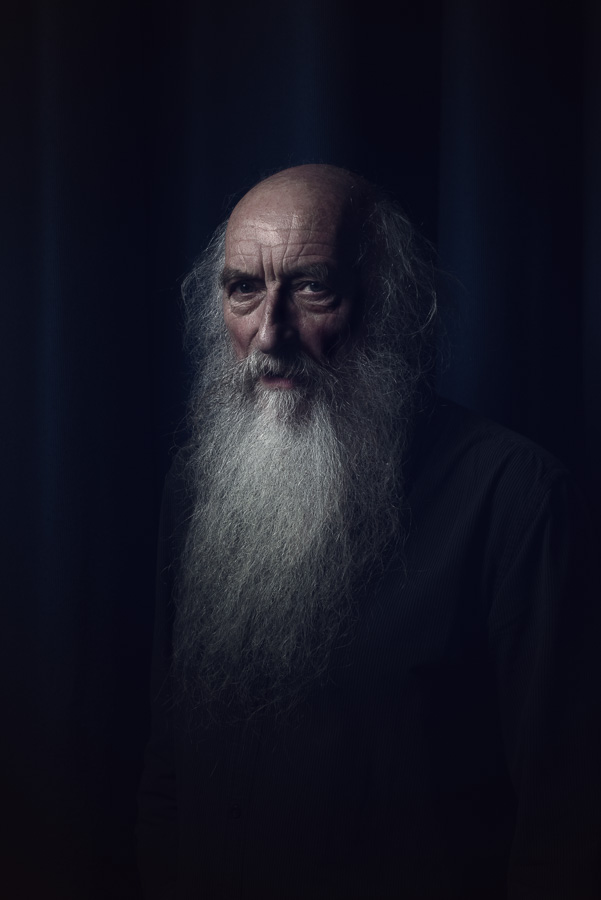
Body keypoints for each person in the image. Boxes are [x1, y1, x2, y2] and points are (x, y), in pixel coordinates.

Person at [136, 164, 600, 899]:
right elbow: (170, 762)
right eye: (243, 289)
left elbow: (568, 820)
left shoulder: (515, 496)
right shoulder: (197, 488)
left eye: (313, 286)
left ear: (388, 302)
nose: (270, 332)